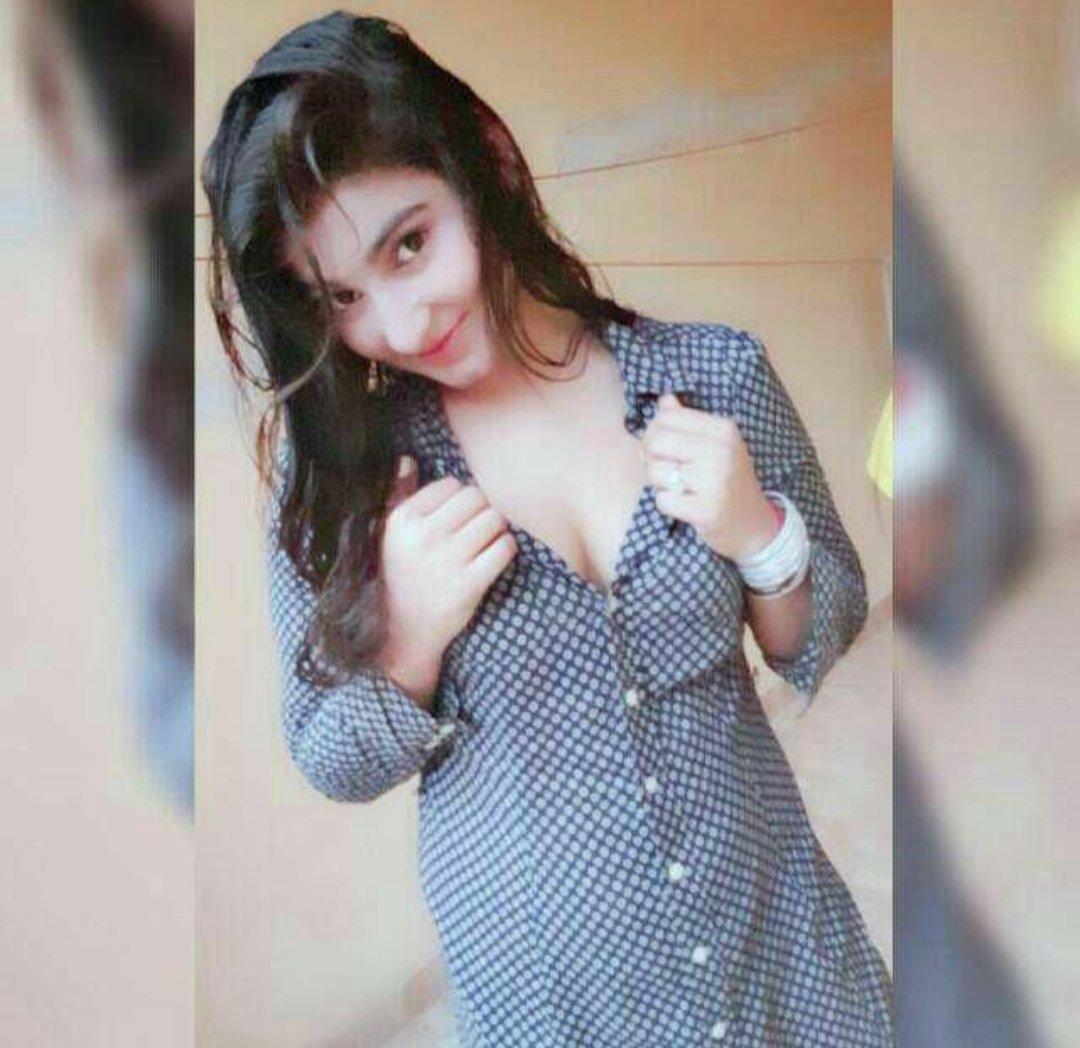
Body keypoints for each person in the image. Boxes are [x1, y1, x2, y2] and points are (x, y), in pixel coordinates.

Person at [202, 12, 893, 1045]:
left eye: (410, 244)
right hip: (553, 1006)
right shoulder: (348, 479)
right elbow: (331, 755)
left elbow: (826, 629)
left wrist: (760, 533)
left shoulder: (714, 372)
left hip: (774, 951)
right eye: (341, 296)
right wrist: (407, 641)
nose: (399, 324)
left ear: (483, 161)